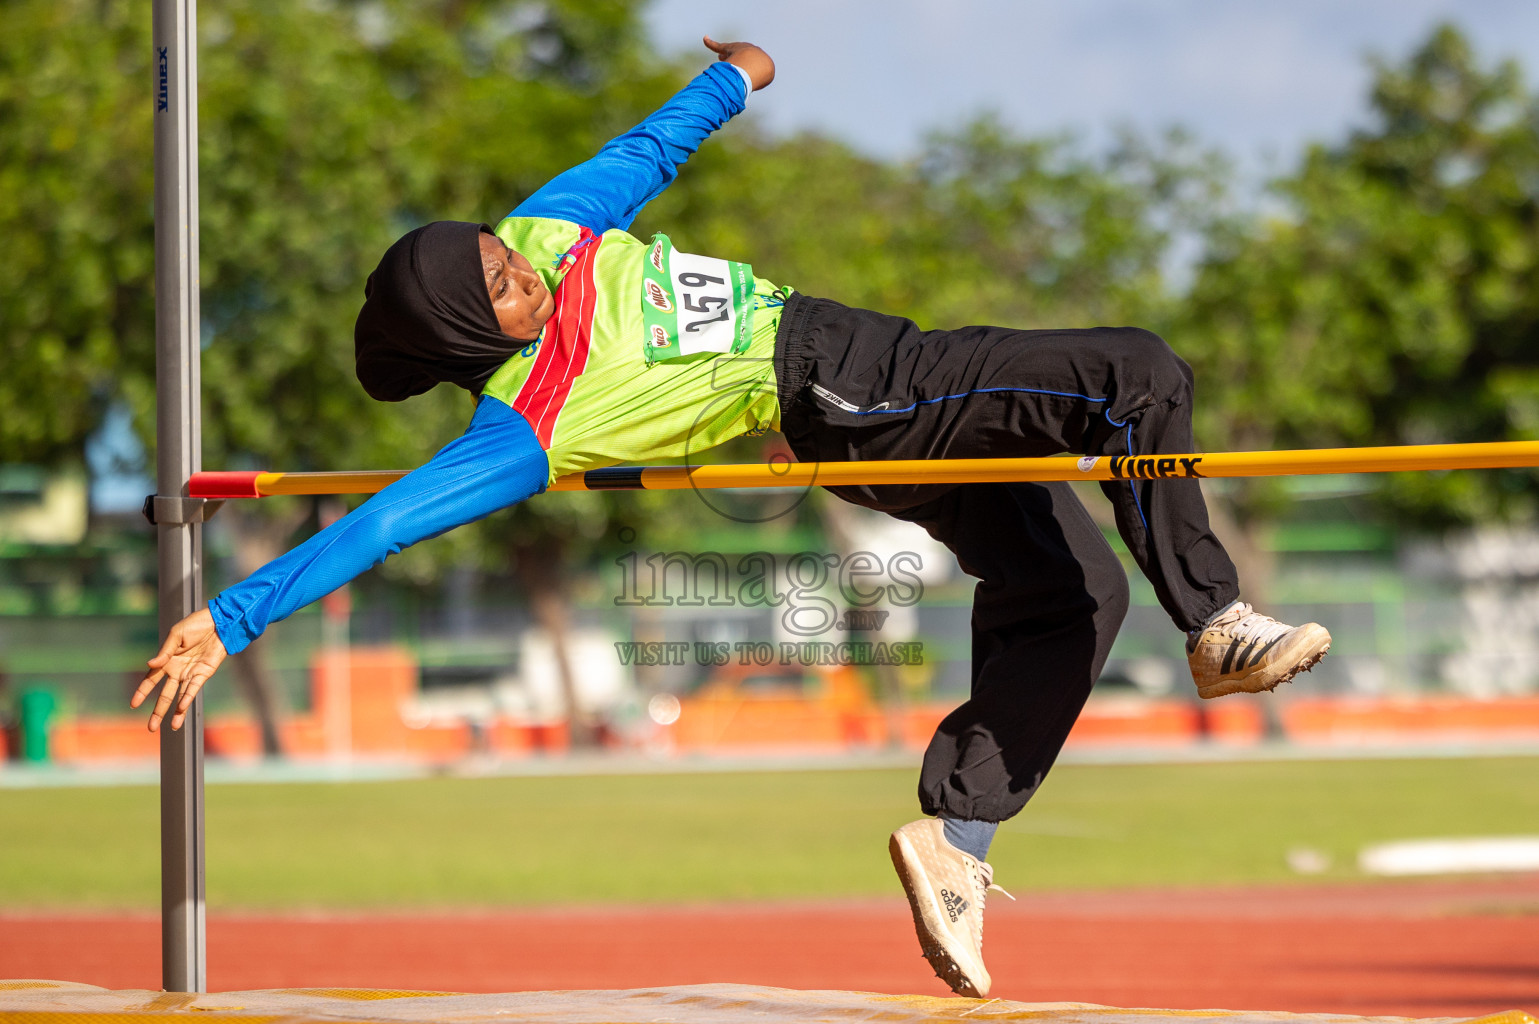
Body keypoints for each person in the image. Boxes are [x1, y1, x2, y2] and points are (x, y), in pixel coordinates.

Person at [134, 37, 1330, 998]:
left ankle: (957, 841)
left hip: (842, 410)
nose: (525, 275)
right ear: (463, 338)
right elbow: (381, 525)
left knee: (1072, 589)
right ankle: (1217, 618)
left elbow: (642, 154)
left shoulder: (552, 228)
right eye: (498, 289)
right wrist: (230, 617)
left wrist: (731, 80)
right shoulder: (523, 427)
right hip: (836, 378)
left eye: (504, 254)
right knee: (1137, 374)